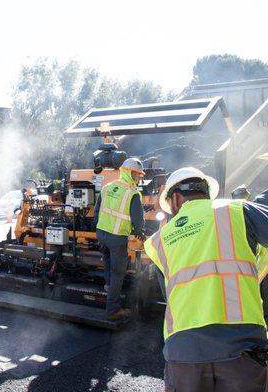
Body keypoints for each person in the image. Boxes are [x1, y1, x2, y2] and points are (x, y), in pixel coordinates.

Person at [144, 167, 268, 392]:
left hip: (183, 351)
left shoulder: (158, 240)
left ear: (176, 199)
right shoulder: (238, 210)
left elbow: (168, 294)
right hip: (240, 346)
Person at [94, 157, 145, 321]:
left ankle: (109, 289)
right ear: (130, 173)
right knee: (118, 273)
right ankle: (113, 310)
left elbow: (97, 211)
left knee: (107, 262)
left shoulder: (107, 187)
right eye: (138, 175)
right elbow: (138, 219)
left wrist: (98, 227)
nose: (140, 178)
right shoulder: (133, 193)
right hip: (116, 238)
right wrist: (139, 232)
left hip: (101, 233)